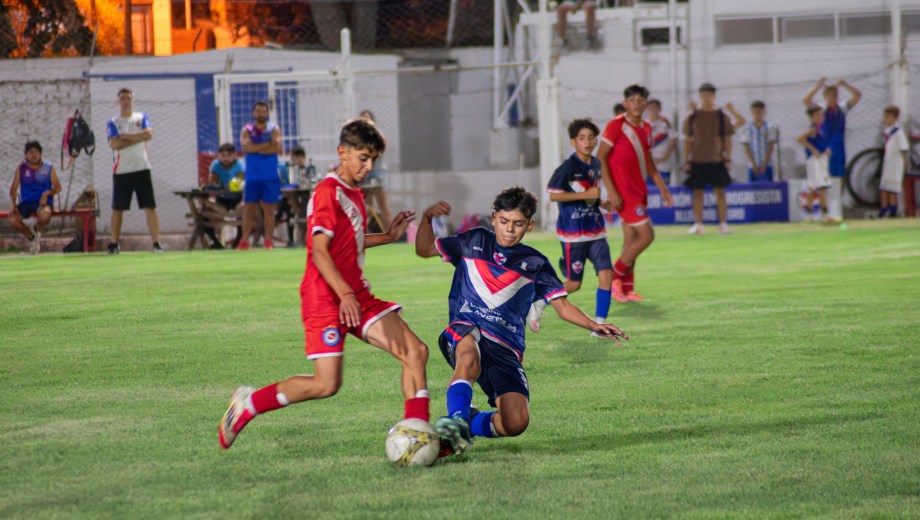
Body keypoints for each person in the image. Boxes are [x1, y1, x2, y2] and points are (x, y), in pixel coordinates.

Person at [219, 119, 431, 450]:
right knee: (326, 384)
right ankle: (249, 403)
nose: (368, 166)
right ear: (342, 153)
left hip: (355, 295)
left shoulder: (354, 193)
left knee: (415, 353)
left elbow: (351, 242)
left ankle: (417, 439)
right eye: (363, 157)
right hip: (325, 298)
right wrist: (344, 294)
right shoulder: (327, 192)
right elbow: (319, 251)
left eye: (373, 159)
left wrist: (388, 236)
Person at [414, 187, 627, 456]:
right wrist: (425, 219)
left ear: (530, 225)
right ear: (493, 218)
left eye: (518, 224)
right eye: (504, 222)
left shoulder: (535, 263)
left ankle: (469, 423)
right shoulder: (473, 241)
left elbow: (562, 306)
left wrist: (594, 324)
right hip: (466, 327)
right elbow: (423, 249)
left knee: (515, 422)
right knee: (468, 357)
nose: (510, 230)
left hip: (505, 344)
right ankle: (455, 422)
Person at [533, 118, 612, 333]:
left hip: (596, 231)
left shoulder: (596, 164)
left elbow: (590, 195)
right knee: (574, 284)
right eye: (581, 138)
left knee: (606, 275)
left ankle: (600, 325)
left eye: (590, 138)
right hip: (573, 234)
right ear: (573, 142)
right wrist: (585, 194)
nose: (587, 142)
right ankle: (540, 300)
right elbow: (553, 196)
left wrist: (601, 202)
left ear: (596, 140)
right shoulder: (567, 167)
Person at [599, 84, 673, 303]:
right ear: (625, 103)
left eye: (641, 100)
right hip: (624, 192)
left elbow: (648, 162)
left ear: (645, 103)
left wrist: (662, 187)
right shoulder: (616, 125)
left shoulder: (647, 128)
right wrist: (611, 191)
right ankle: (615, 274)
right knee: (647, 235)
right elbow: (600, 157)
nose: (636, 104)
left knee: (631, 240)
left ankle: (626, 289)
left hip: (639, 190)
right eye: (632, 100)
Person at [106, 87, 163, 254]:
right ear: (118, 101)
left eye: (128, 97)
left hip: (142, 168)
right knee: (118, 208)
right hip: (122, 171)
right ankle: (114, 244)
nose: (125, 101)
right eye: (122, 98)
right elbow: (115, 144)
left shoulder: (141, 117)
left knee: (149, 206)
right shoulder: (113, 122)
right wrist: (138, 138)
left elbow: (148, 134)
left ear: (132, 100)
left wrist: (125, 136)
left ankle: (156, 243)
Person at [803, 77, 861, 220]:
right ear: (824, 96)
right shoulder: (821, 108)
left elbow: (857, 96)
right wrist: (817, 86)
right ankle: (824, 210)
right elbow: (806, 101)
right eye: (828, 95)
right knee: (823, 178)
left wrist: (844, 84)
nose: (831, 97)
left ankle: (837, 207)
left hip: (839, 148)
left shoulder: (842, 108)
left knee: (839, 176)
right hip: (825, 148)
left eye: (834, 94)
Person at [681, 82, 735, 235]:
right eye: (704, 95)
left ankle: (723, 224)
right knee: (698, 193)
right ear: (699, 96)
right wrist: (687, 160)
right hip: (697, 160)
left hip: (717, 160)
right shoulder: (692, 116)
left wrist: (728, 158)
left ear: (714, 97)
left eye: (710, 95)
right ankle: (698, 224)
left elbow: (727, 139)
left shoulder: (721, 115)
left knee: (720, 192)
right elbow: (687, 139)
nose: (706, 98)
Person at [237, 100, 282, 250]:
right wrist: (265, 145)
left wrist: (256, 148)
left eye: (264, 111)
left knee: (269, 210)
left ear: (267, 113)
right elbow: (246, 147)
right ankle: (244, 241)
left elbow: (276, 148)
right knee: (249, 209)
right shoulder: (247, 129)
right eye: (258, 111)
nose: (261, 114)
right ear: (253, 113)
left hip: (269, 176)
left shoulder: (273, 128)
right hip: (252, 176)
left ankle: (268, 240)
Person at [7, 141, 61, 255]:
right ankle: (32, 237)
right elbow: (13, 190)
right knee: (12, 219)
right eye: (31, 152)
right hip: (26, 203)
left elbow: (58, 188)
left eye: (36, 152)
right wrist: (12, 205)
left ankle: (36, 228)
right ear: (26, 155)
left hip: (43, 203)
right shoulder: (21, 169)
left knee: (45, 214)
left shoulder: (48, 168)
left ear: (40, 154)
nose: (34, 154)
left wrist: (46, 194)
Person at [796, 106, 832, 222]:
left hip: (817, 159)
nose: (821, 117)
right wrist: (813, 150)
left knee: (812, 187)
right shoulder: (813, 129)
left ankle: (810, 214)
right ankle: (824, 214)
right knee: (822, 187)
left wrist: (824, 150)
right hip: (815, 161)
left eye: (821, 114)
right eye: (817, 115)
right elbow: (800, 138)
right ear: (811, 117)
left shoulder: (820, 129)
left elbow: (818, 143)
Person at [206, 142, 245, 249]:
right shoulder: (216, 165)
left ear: (234, 155)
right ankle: (214, 241)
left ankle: (238, 239)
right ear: (218, 156)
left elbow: (239, 183)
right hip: (222, 198)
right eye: (223, 155)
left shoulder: (239, 165)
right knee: (204, 212)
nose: (226, 158)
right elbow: (213, 183)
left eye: (229, 155)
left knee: (245, 211)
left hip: (238, 198)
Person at [358, 110, 393, 228]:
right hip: (365, 174)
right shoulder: (357, 137)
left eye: (368, 119)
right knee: (366, 207)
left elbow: (380, 149)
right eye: (363, 120)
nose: (366, 122)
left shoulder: (378, 134)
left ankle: (391, 235)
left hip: (378, 173)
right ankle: (363, 236)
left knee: (383, 206)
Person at [878, 105, 909, 218]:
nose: (885, 119)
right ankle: (883, 209)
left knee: (892, 189)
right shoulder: (887, 131)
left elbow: (903, 148)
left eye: (888, 117)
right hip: (888, 163)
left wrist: (903, 165)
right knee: (884, 187)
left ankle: (892, 211)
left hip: (895, 165)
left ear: (894, 118)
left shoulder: (898, 132)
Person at [739, 100, 779, 182]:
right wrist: (753, 163)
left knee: (768, 189)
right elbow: (747, 147)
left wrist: (764, 163)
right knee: (754, 189)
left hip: (767, 165)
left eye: (759, 111)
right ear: (751, 111)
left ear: (764, 112)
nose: (757, 113)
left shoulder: (770, 127)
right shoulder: (746, 128)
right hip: (752, 166)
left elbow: (771, 147)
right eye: (755, 111)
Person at [276, 145, 307, 247]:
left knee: (305, 203)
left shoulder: (307, 169)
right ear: (291, 157)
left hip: (302, 195)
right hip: (285, 196)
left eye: (301, 157)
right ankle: (290, 238)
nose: (298, 159)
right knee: (289, 205)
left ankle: (303, 237)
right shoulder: (284, 168)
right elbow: (281, 184)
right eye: (296, 156)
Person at [646, 99, 677, 186]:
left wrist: (665, 157)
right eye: (650, 108)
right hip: (648, 166)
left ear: (660, 109)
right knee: (649, 192)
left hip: (664, 164)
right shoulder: (642, 125)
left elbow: (674, 142)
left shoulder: (666, 124)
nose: (652, 111)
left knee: (663, 191)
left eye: (655, 108)